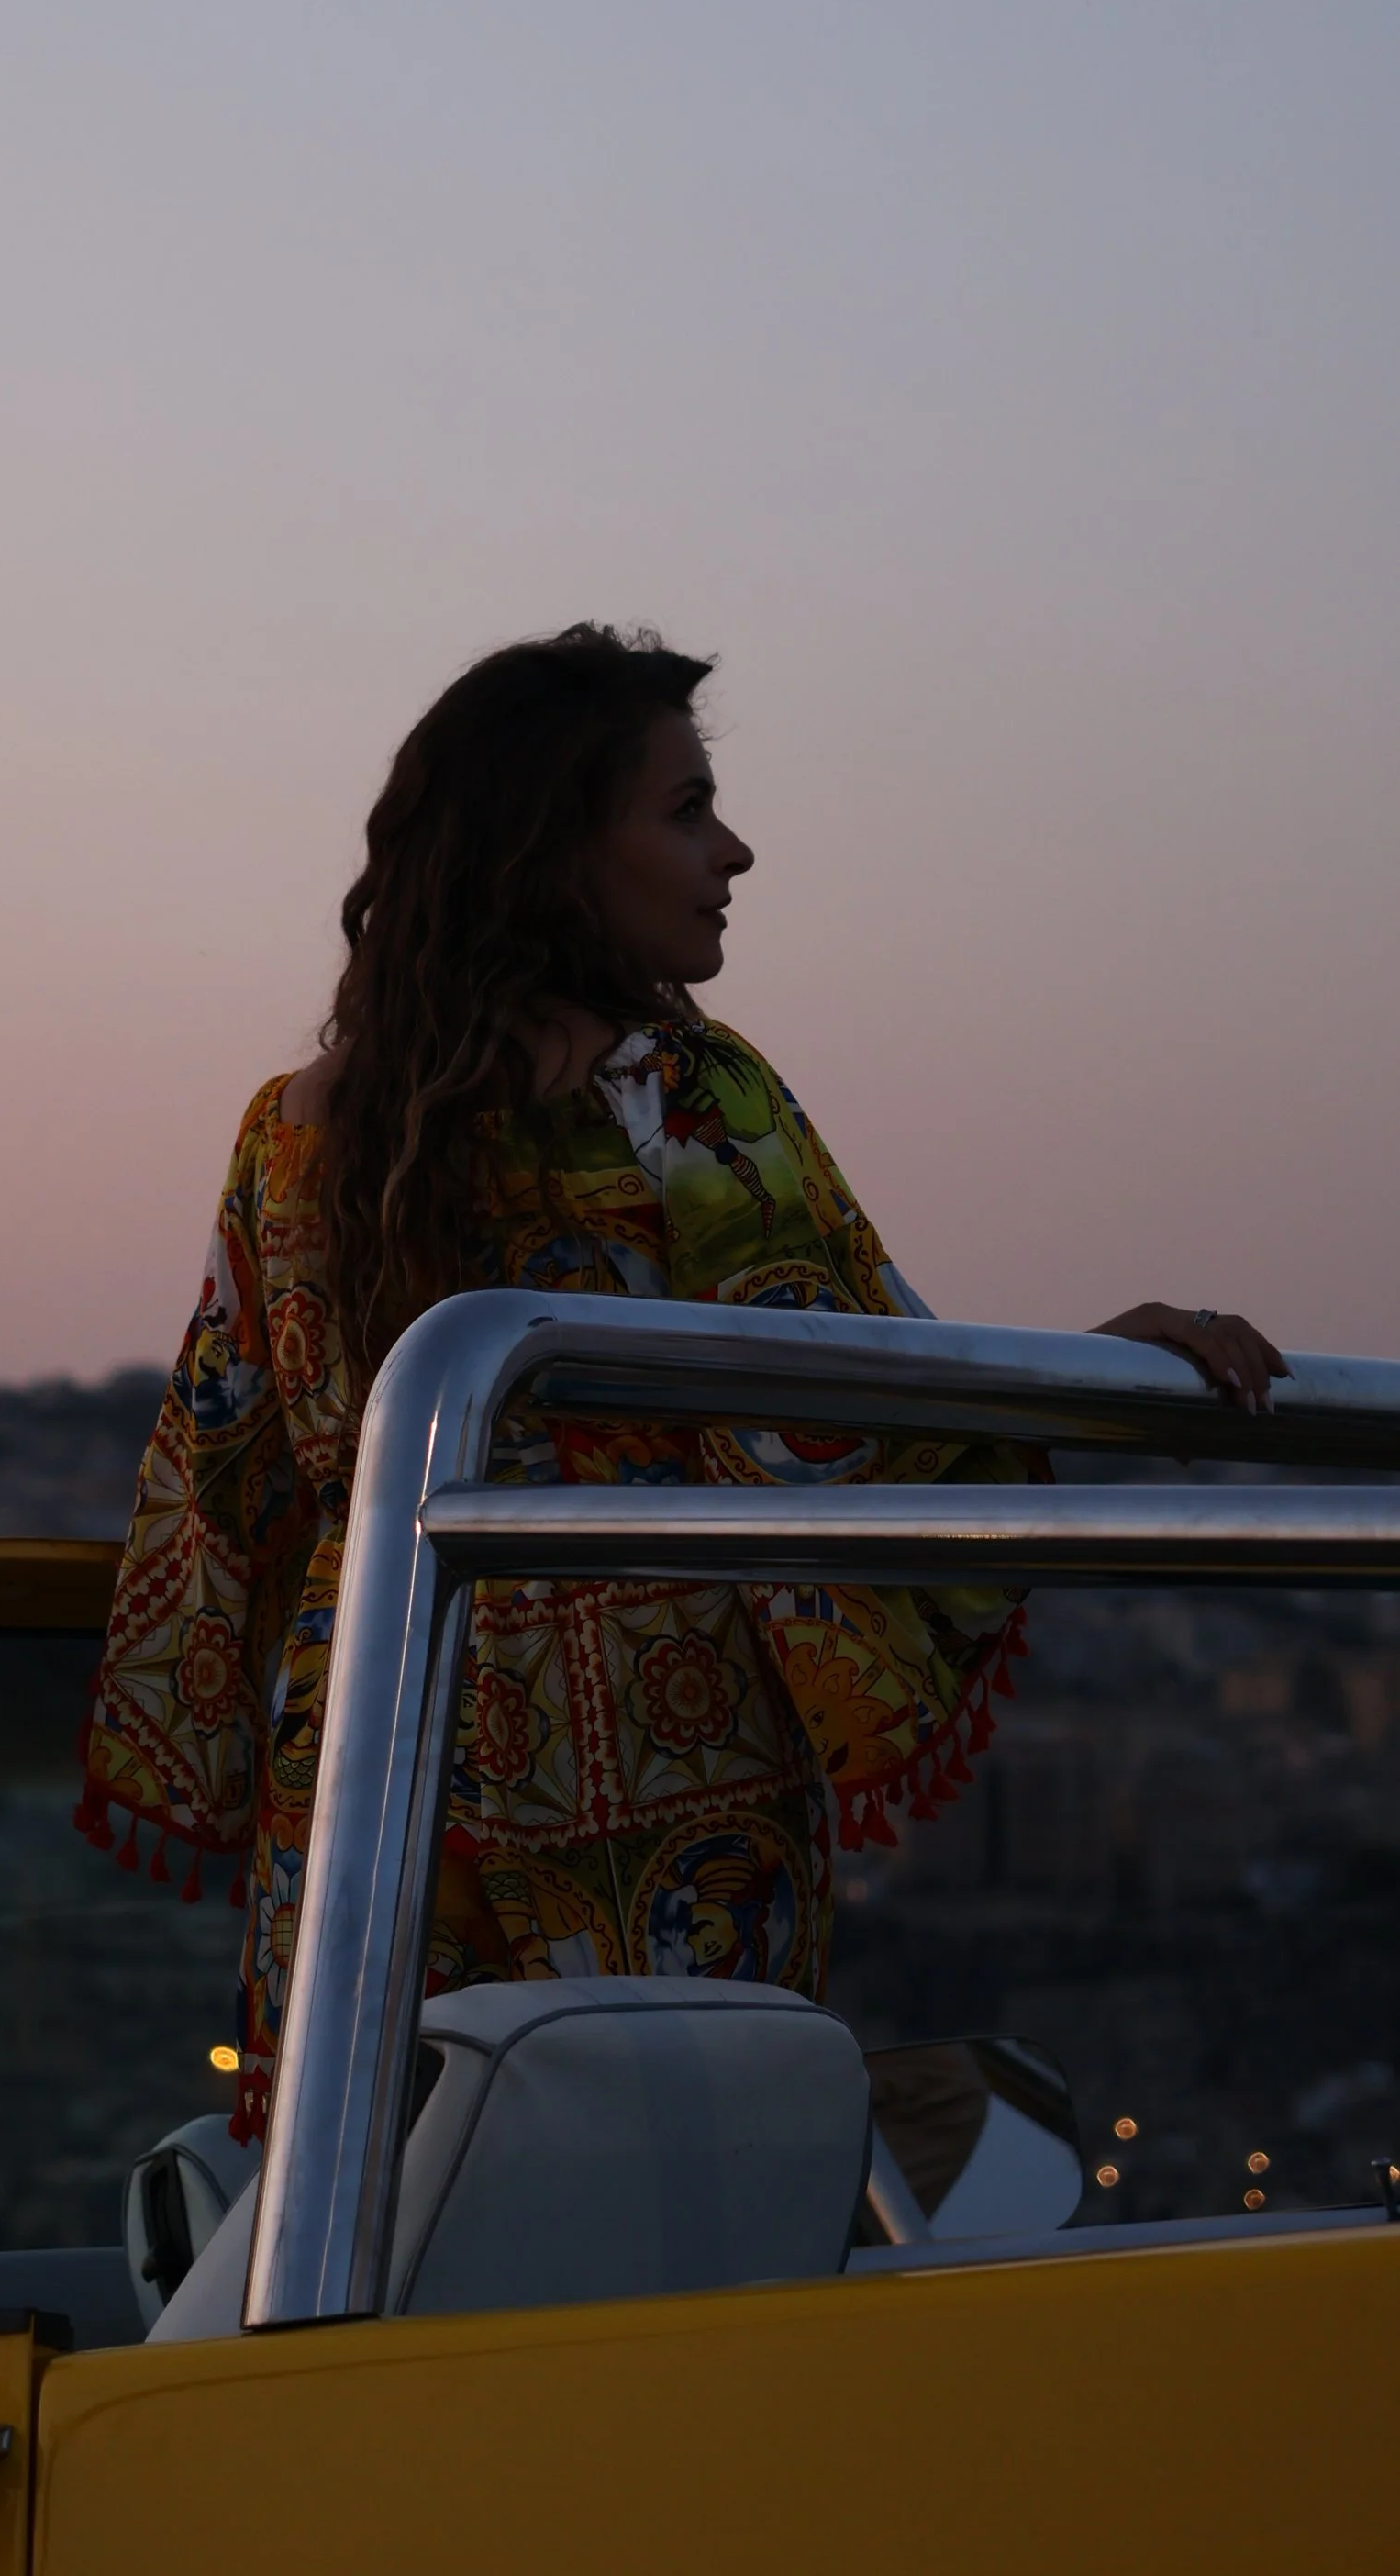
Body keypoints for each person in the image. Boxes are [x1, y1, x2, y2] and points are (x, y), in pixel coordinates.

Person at [80, 625, 1287, 2135]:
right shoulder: (690, 1100)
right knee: (673, 2176)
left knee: (390, 2186)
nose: (736, 851)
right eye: (687, 808)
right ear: (556, 848)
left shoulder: (295, 1126)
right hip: (662, 1752)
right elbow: (854, 1404)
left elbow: (223, 1470)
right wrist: (1101, 1371)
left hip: (371, 1732)